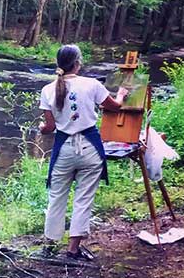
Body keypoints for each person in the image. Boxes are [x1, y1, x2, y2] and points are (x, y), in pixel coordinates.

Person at [38, 44, 128, 260]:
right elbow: (114, 106)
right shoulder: (92, 84)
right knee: (83, 198)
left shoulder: (47, 90)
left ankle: (49, 245)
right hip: (90, 148)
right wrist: (122, 95)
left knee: (57, 197)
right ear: (78, 63)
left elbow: (49, 128)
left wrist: (42, 128)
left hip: (63, 150)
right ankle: (72, 250)